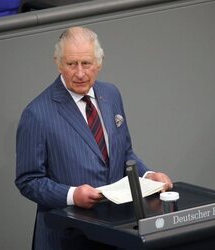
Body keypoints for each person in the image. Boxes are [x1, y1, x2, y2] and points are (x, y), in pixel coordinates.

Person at [15, 26, 173, 250]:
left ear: (99, 63)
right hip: (67, 238)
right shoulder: (37, 114)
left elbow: (124, 153)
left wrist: (148, 176)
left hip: (115, 233)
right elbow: (28, 181)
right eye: (71, 64)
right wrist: (72, 195)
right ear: (58, 63)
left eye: (86, 64)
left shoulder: (111, 94)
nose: (80, 73)